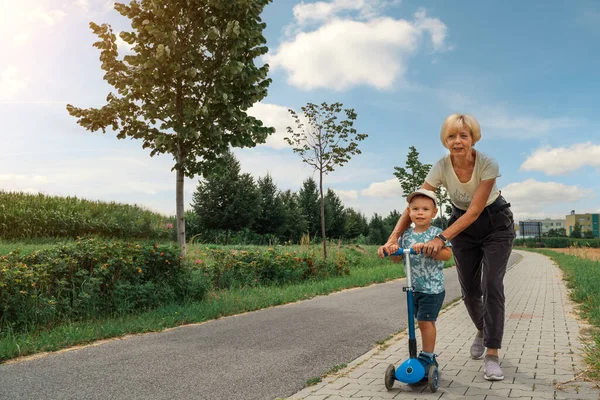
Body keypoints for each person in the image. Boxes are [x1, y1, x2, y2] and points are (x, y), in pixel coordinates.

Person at [378, 113, 515, 381]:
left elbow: (475, 211)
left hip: (495, 224)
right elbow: (415, 203)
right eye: (451, 136)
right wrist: (393, 237)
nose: (457, 141)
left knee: (492, 285)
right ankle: (482, 328)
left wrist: (440, 238)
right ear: (445, 140)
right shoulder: (441, 166)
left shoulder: (487, 163)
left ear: (473, 138)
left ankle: (492, 354)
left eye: (464, 135)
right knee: (470, 292)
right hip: (462, 228)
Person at [395, 188, 452, 376]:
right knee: (419, 322)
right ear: (409, 212)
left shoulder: (437, 233)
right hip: (413, 289)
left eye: (425, 209)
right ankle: (422, 357)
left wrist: (430, 248)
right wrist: (391, 249)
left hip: (432, 288)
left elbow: (447, 255)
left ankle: (428, 356)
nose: (420, 213)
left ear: (434, 213)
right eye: (415, 209)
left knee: (425, 322)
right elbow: (396, 258)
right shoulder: (405, 235)